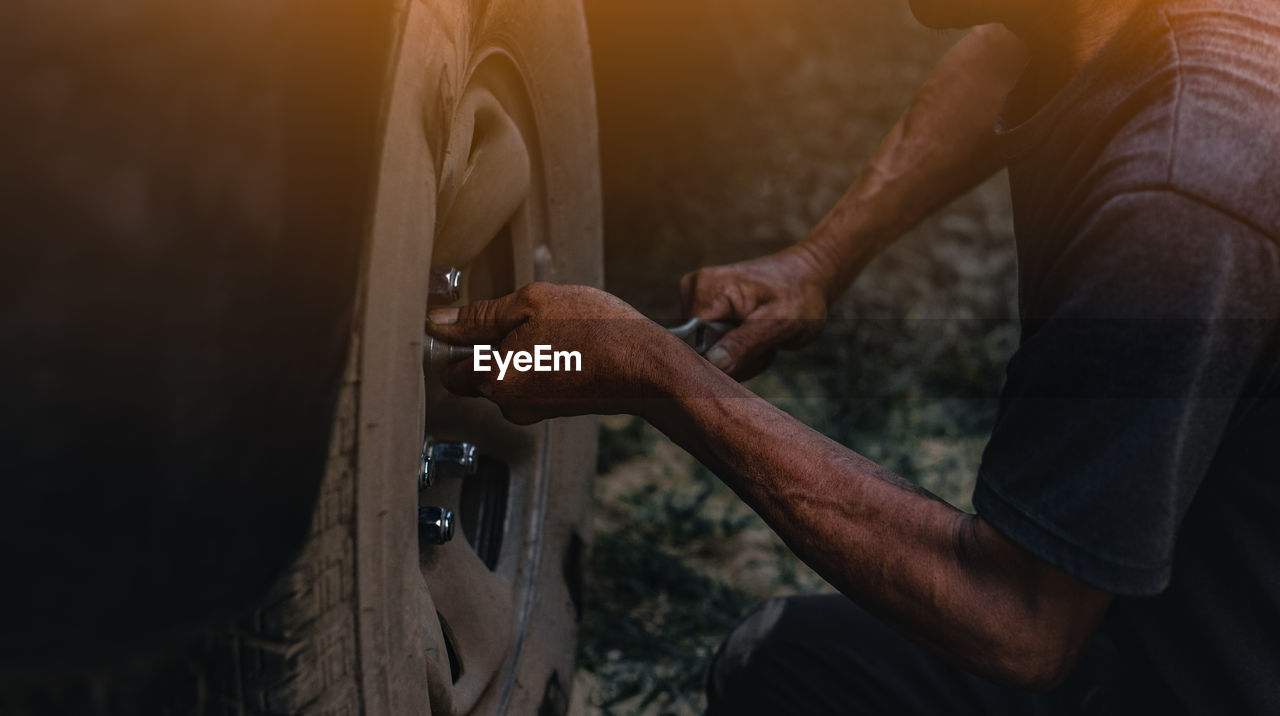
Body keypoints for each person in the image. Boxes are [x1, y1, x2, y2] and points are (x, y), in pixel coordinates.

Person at [427, 0, 1280, 712]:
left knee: (786, 679)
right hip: (1193, 600)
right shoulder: (1146, 26)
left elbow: (1020, 624)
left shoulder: (1181, 201)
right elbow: (1004, 54)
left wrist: (657, 378)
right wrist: (819, 261)